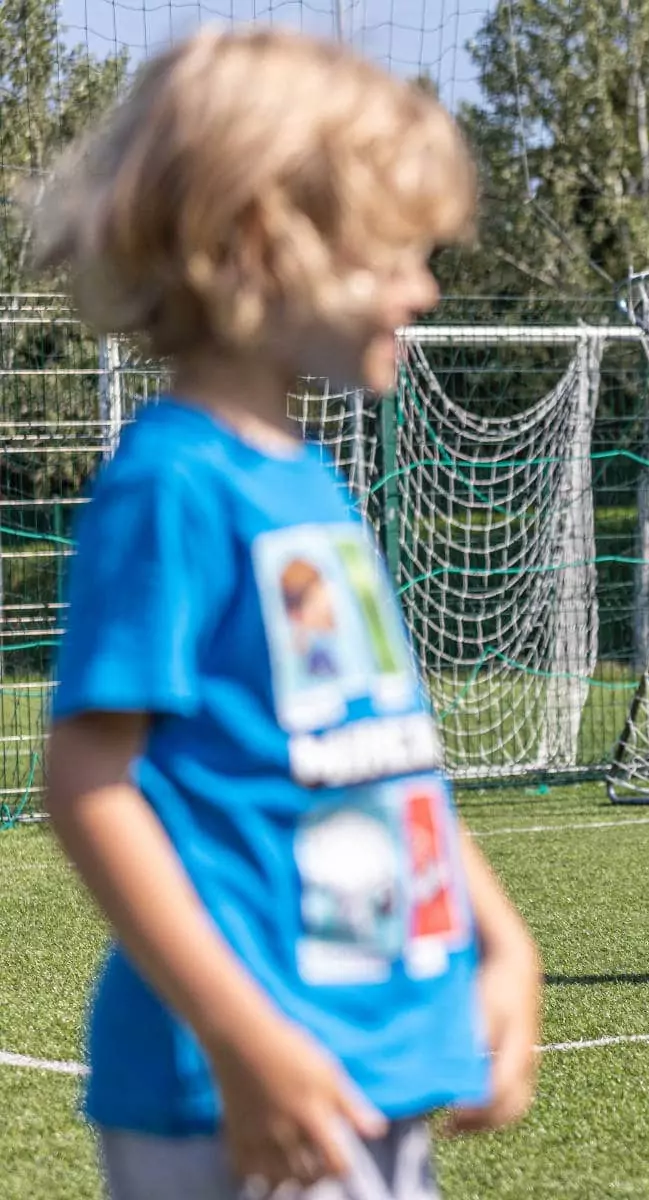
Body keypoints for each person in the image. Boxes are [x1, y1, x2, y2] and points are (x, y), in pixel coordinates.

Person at [31, 28, 542, 1198]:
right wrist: (244, 1040)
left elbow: (376, 756)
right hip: (247, 1092)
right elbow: (89, 784)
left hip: (371, 1060)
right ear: (269, 245)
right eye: (397, 251)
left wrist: (502, 939)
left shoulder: (305, 477)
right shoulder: (175, 487)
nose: (423, 287)